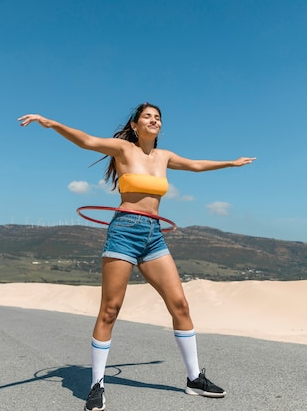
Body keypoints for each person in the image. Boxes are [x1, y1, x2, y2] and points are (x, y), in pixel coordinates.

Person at [18, 103, 255, 411]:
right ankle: (97, 385)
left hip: (153, 234)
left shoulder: (164, 156)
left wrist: (231, 164)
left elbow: (195, 165)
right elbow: (86, 140)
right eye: (148, 116)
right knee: (110, 309)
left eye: (158, 117)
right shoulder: (123, 150)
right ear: (134, 125)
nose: (154, 120)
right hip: (125, 231)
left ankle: (194, 379)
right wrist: (50, 123)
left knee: (180, 304)